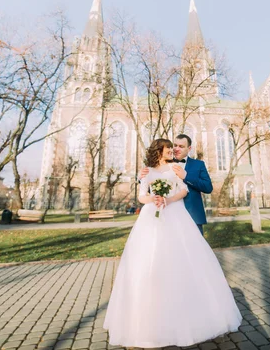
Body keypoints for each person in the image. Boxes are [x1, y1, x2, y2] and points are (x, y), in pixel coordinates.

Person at [103, 138, 242, 347]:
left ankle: (191, 311)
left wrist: (168, 200)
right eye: (169, 148)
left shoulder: (176, 168)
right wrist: (154, 199)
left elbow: (184, 190)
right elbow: (142, 195)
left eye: (175, 147)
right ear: (160, 150)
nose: (172, 151)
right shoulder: (146, 171)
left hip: (177, 214)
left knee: (184, 261)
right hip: (151, 217)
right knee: (151, 261)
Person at [139, 133, 212, 235]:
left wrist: (186, 177)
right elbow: (151, 179)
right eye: (175, 145)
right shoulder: (165, 161)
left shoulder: (199, 164)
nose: (176, 149)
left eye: (181, 146)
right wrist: (140, 177)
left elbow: (208, 187)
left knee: (195, 248)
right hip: (167, 214)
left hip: (193, 215)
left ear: (189, 148)